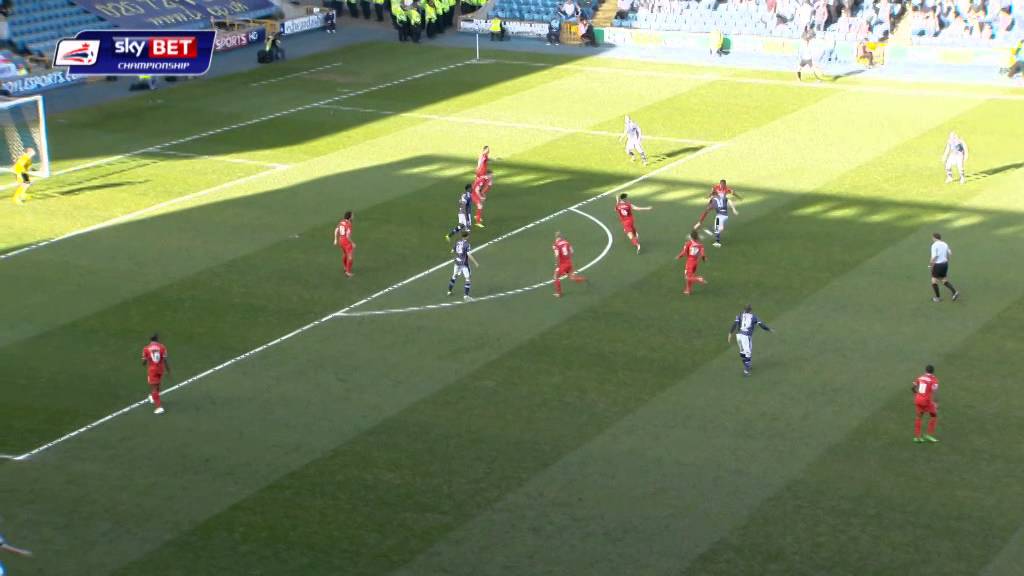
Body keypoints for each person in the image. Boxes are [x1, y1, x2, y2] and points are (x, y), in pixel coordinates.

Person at [728, 304, 773, 376]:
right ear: (751, 310)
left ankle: (747, 365)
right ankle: (746, 370)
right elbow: (761, 325)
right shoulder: (754, 317)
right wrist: (769, 329)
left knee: (742, 352)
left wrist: (730, 334)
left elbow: (734, 324)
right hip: (746, 336)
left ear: (744, 309)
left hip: (739, 336)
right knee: (748, 353)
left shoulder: (739, 315)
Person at [141, 334, 170, 414]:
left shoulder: (146, 348)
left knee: (153, 388)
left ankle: (159, 407)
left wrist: (145, 360)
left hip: (152, 370)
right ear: (157, 339)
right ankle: (153, 397)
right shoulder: (162, 347)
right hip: (160, 369)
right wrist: (168, 370)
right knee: (157, 385)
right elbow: (165, 360)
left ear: (150, 340)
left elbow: (143, 362)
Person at [552, 231, 587, 297]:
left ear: (556, 237)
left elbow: (557, 255)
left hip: (562, 265)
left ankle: (559, 293)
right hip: (569, 263)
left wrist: (557, 264)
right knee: (571, 277)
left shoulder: (555, 245)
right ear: (561, 236)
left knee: (556, 277)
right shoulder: (566, 242)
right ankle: (583, 279)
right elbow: (572, 252)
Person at [447, 231, 479, 300]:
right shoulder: (467, 244)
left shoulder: (458, 242)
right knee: (467, 279)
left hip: (457, 262)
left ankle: (449, 291)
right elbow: (469, 255)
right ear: (467, 236)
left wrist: (457, 257)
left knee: (454, 275)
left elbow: (452, 251)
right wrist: (475, 262)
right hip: (464, 264)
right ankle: (466, 296)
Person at [912, 365, 940, 443]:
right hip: (926, 401)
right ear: (933, 371)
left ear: (925, 370)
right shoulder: (934, 380)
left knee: (919, 417)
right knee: (934, 415)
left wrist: (917, 394)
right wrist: (936, 403)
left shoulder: (920, 378)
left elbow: (913, 388)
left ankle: (917, 437)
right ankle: (928, 435)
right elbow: (935, 392)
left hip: (918, 399)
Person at [929, 232, 959, 302]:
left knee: (934, 280)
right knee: (943, 280)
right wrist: (946, 260)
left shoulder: (934, 245)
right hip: (945, 264)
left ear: (934, 238)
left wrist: (930, 264)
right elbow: (950, 253)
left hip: (938, 265)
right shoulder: (945, 244)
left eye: (932, 238)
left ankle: (937, 298)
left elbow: (934, 257)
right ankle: (954, 292)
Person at [675, 230, 708, 295]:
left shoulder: (688, 243)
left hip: (690, 261)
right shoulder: (700, 245)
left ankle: (699, 279)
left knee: (687, 277)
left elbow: (684, 252)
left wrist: (678, 257)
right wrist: (704, 259)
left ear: (691, 237)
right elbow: (703, 255)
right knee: (690, 275)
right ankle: (688, 290)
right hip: (696, 262)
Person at [334, 211, 355, 277]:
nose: (353, 216)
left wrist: (335, 239)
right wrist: (352, 243)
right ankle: (348, 272)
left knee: (345, 254)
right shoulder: (349, 224)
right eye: (352, 215)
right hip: (346, 242)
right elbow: (348, 236)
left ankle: (345, 267)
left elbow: (336, 230)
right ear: (350, 217)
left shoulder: (341, 222)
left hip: (340, 240)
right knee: (350, 257)